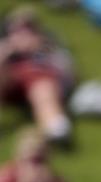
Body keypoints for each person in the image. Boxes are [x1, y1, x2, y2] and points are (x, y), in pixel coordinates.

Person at [0, 5, 74, 147]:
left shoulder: (49, 47)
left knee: (42, 87)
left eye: (29, 29)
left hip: (39, 82)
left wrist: (41, 51)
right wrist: (8, 51)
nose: (24, 35)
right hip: (9, 82)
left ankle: (55, 128)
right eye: (18, 30)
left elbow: (68, 73)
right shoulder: (4, 47)